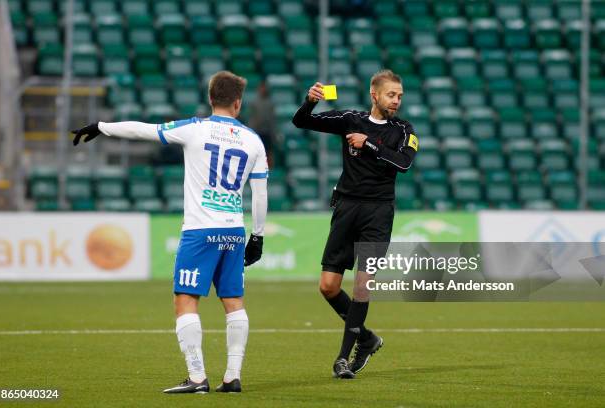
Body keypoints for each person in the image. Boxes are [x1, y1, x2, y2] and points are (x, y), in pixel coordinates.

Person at [72, 71, 269, 393]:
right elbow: (260, 194)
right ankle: (232, 377)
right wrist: (257, 236)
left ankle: (196, 378)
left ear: (210, 98)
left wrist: (101, 126)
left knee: (185, 300)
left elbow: (143, 130)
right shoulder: (253, 140)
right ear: (238, 102)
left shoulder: (194, 129)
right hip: (233, 230)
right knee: (234, 302)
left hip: (200, 231)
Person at [292, 69, 418, 379]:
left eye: (400, 96)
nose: (397, 101)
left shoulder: (404, 130)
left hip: (378, 213)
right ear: (374, 95)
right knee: (328, 286)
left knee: (363, 286)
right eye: (391, 95)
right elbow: (302, 121)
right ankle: (367, 338)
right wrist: (309, 102)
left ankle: (342, 359)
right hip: (347, 208)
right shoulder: (351, 119)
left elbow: (404, 163)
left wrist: (369, 144)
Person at [248, 82, 277, 167]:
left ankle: (270, 170)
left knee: (268, 153)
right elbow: (252, 118)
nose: (263, 90)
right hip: (257, 132)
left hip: (268, 132)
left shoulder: (270, 103)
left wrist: (273, 133)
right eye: (262, 88)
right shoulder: (254, 103)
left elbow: (273, 119)